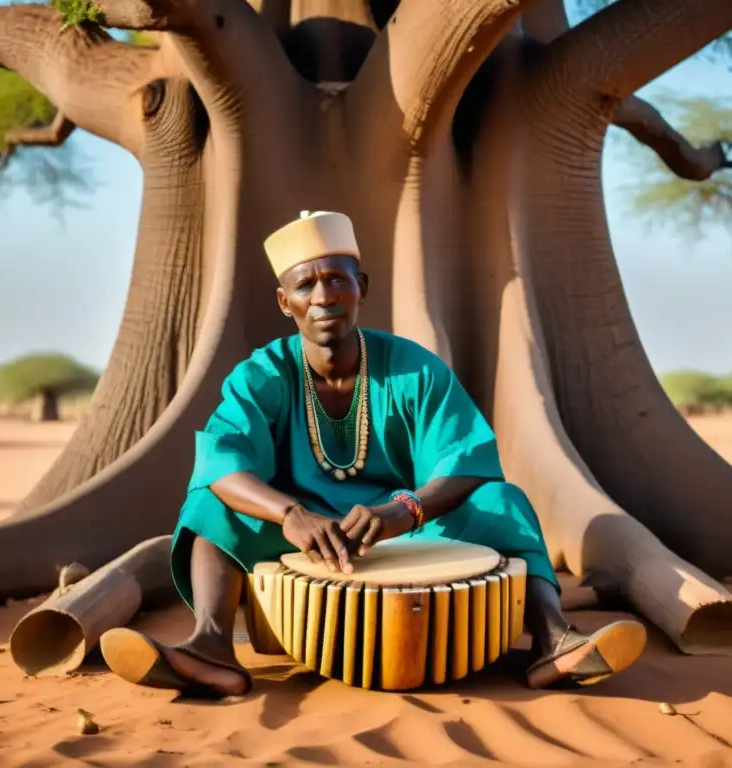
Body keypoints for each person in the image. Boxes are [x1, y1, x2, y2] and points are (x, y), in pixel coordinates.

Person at [100, 211, 647, 697]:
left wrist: (403, 509)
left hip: (410, 528)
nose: (322, 296)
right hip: (303, 533)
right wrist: (291, 513)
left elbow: (467, 460)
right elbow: (223, 461)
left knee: (504, 500)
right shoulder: (263, 373)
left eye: (336, 279)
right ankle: (210, 648)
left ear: (360, 286)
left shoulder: (413, 367)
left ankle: (551, 640)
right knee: (209, 504)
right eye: (305, 284)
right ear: (283, 300)